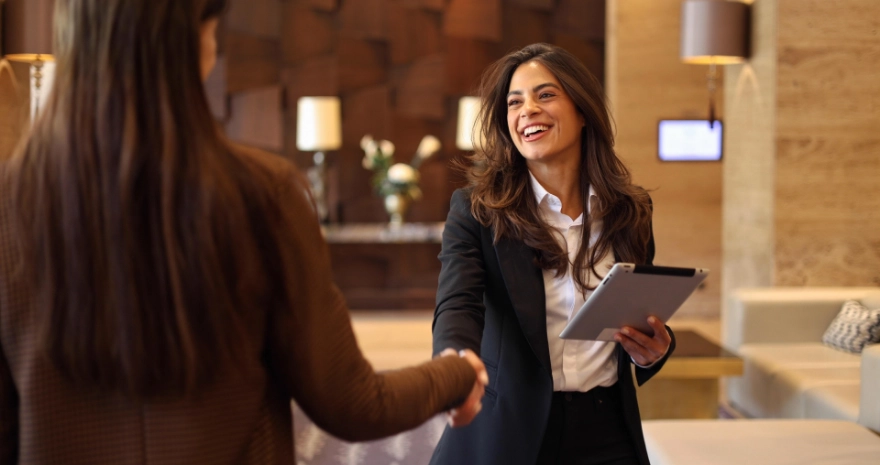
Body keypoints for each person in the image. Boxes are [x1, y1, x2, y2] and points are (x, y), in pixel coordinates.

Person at [0, 1, 487, 463]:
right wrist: (455, 374)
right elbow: (351, 401)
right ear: (191, 44)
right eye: (212, 32)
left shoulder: (10, 201)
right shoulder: (263, 194)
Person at [430, 43, 676, 465]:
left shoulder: (631, 210)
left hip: (607, 427)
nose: (527, 109)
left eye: (545, 95)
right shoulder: (476, 210)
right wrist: (455, 359)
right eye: (514, 102)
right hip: (511, 428)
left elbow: (637, 311)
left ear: (582, 112)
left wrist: (655, 347)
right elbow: (458, 303)